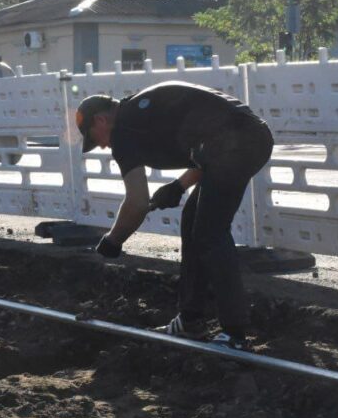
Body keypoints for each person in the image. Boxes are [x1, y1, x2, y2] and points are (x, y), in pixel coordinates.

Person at [76, 81, 274, 349]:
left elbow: (136, 202)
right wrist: (178, 187)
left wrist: (112, 242)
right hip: (248, 137)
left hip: (236, 145)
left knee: (210, 232)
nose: (100, 146)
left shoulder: (123, 130)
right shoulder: (141, 110)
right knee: (193, 221)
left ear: (101, 119)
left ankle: (234, 334)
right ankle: (190, 320)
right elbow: (208, 145)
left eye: (93, 137)